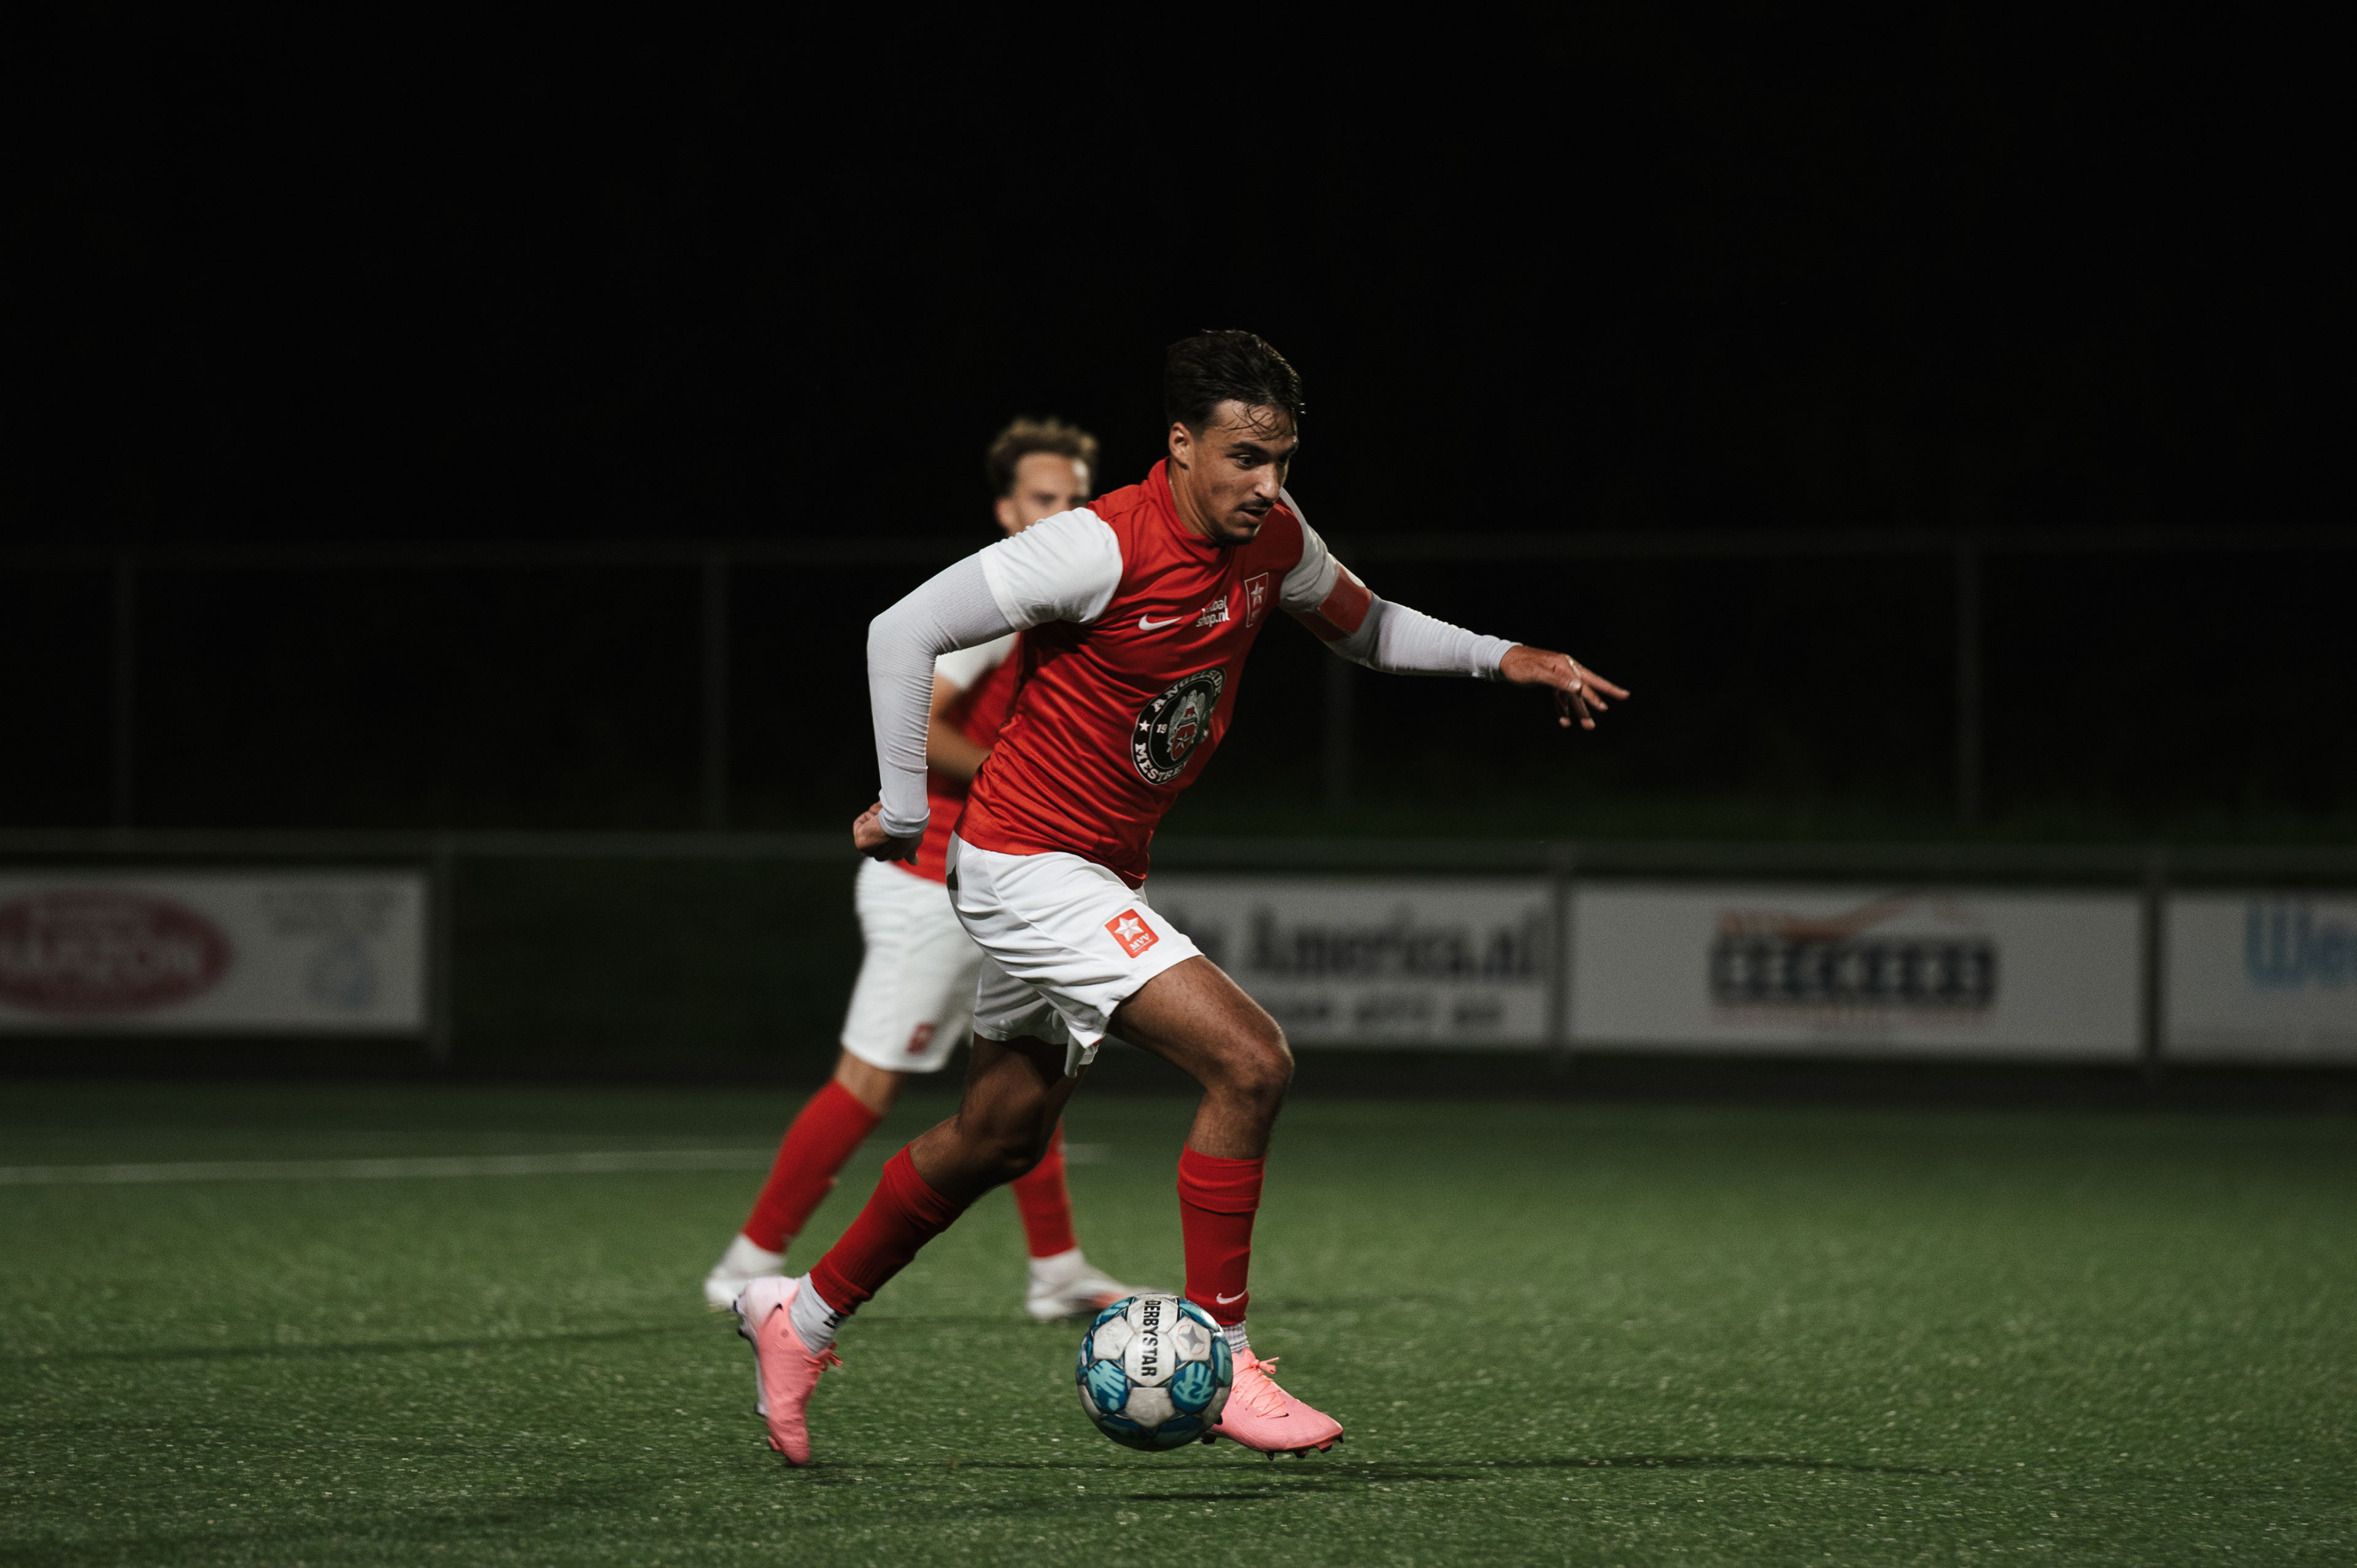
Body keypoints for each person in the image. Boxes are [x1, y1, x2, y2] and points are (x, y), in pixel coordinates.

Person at [732, 331, 1627, 1466]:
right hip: (1025, 864)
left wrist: (1508, 657)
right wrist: (905, 811)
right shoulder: (1098, 544)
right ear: (1181, 445)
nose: (1268, 483)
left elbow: (1367, 627)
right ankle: (1230, 1361)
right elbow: (900, 631)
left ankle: (799, 1316)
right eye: (1246, 458)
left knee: (998, 1136)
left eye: (1284, 459)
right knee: (1250, 1062)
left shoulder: (1275, 537)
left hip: (1096, 867)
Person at [703, 417, 1144, 1323]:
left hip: (1011, 876)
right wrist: (1028, 780)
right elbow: (930, 723)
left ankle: (1057, 1271)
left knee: (1030, 1071)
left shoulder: (1067, 599)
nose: (1064, 511)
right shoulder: (1003, 595)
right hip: (929, 882)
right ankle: (744, 1263)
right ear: (1007, 509)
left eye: (1076, 498)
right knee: (868, 1081)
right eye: (1044, 498)